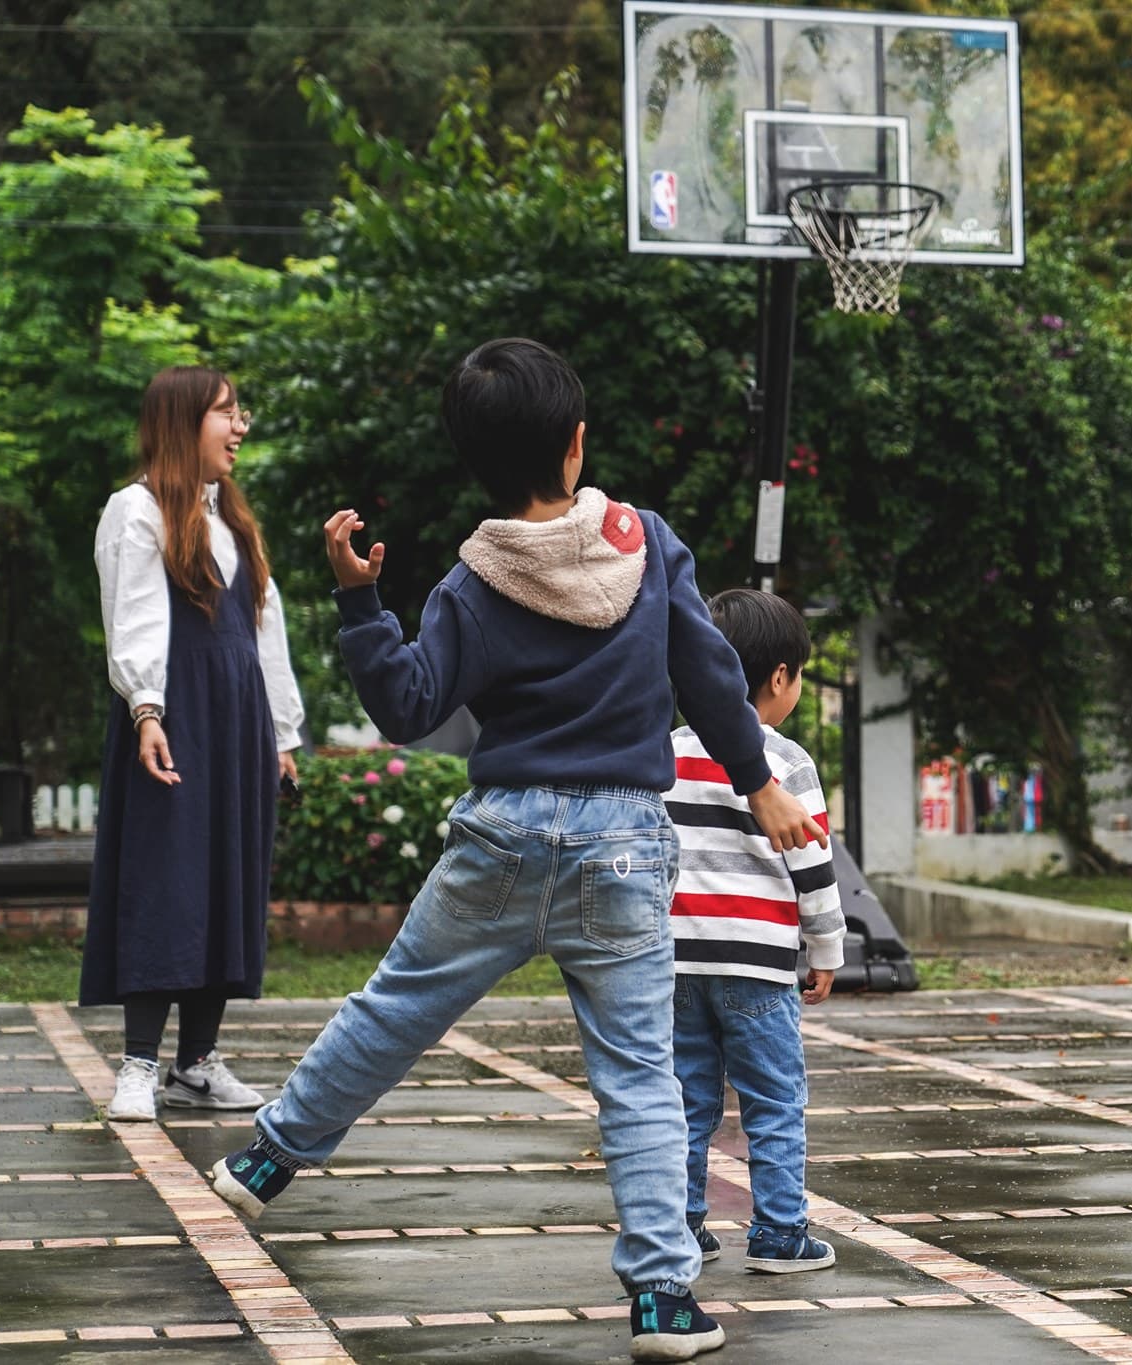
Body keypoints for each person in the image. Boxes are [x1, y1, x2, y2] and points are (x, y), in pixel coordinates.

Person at [205, 337, 826, 1364]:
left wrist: (360, 600)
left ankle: (269, 1158)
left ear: (475, 465)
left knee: (397, 1006)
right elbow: (713, 677)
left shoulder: (470, 581)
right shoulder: (649, 544)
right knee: (638, 1074)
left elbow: (407, 707)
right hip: (626, 849)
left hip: (501, 840)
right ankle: (663, 1302)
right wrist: (758, 784)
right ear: (576, 444)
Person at [85, 366, 305, 1123]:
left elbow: (262, 630)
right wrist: (148, 709)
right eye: (225, 413)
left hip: (239, 721)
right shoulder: (137, 510)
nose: (240, 426)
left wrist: (281, 734)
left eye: (241, 412)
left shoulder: (233, 519)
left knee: (225, 881)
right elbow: (135, 617)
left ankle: (196, 1064)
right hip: (175, 717)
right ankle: (140, 1063)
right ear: (182, 422)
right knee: (165, 877)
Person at [667, 588, 845, 1275]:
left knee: (685, 1097)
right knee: (773, 1098)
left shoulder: (665, 752)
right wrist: (827, 950)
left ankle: (682, 1226)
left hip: (676, 963)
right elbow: (814, 866)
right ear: (780, 677)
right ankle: (778, 1233)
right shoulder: (789, 763)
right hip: (760, 967)